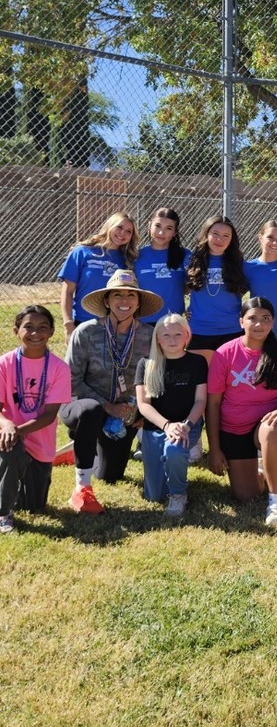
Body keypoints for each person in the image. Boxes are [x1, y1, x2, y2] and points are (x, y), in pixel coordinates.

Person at [60, 270, 162, 513]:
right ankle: (81, 487)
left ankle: (87, 445)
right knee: (91, 411)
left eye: (131, 295)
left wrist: (140, 412)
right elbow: (70, 380)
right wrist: (107, 406)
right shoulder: (85, 331)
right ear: (107, 300)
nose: (124, 301)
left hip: (124, 411)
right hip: (82, 404)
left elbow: (155, 379)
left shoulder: (149, 335)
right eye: (117, 295)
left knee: (110, 476)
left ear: (138, 302)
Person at [206, 297, 277, 525]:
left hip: (267, 424)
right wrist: (215, 449)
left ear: (273, 322)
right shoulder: (224, 353)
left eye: (265, 319)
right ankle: (262, 470)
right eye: (252, 319)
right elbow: (213, 404)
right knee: (246, 495)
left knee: (270, 430)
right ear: (241, 321)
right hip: (233, 428)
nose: (259, 325)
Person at [0, 306, 72, 533]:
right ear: (16, 331)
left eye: (42, 328)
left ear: (51, 332)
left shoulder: (59, 368)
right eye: (28, 327)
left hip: (39, 442)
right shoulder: (4, 363)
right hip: (7, 435)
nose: (35, 333)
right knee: (10, 448)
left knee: (34, 507)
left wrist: (18, 429)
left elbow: (50, 415)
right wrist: (7, 425)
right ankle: (3, 513)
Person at [135, 313, 207, 517]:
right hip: (156, 428)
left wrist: (185, 425)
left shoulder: (197, 362)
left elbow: (201, 401)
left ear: (187, 335)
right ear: (157, 338)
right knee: (154, 495)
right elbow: (143, 404)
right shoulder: (146, 364)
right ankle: (170, 480)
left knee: (174, 450)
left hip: (187, 425)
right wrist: (167, 426)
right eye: (166, 335)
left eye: (178, 334)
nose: (172, 340)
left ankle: (178, 495)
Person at [58, 211, 138, 336]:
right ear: (110, 226)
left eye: (129, 231)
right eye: (119, 227)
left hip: (114, 325)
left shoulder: (128, 260)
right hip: (83, 321)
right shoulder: (82, 252)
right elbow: (67, 292)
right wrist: (68, 324)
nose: (123, 233)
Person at [185, 214, 248, 361]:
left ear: (231, 240)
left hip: (231, 330)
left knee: (229, 381)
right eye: (215, 234)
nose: (220, 239)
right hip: (200, 330)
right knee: (201, 381)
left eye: (226, 236)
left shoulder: (239, 263)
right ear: (206, 234)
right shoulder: (190, 260)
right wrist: (185, 309)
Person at [134, 207, 191, 323]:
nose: (161, 232)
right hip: (142, 323)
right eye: (158, 226)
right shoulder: (136, 256)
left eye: (168, 228)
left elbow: (192, 286)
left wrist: (193, 307)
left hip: (173, 322)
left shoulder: (185, 255)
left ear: (175, 232)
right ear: (149, 226)